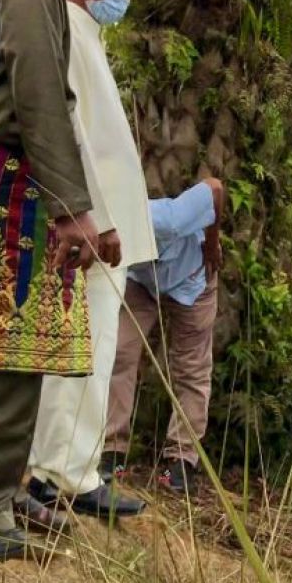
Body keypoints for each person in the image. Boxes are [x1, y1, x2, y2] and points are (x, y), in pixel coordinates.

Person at [21, 0, 155, 531]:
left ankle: (78, 467)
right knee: (78, 353)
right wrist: (93, 216)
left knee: (96, 352)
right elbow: (72, 135)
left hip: (103, 224)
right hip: (91, 225)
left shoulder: (88, 32)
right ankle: (59, 473)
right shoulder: (67, 26)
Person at [0, 0, 119, 561]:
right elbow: (38, 97)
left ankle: (6, 488)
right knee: (12, 346)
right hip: (9, 191)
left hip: (17, 183)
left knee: (20, 344)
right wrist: (73, 208)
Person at [103, 179, 226, 495]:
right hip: (142, 284)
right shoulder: (107, 225)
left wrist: (211, 243)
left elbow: (214, 189)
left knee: (192, 369)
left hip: (193, 283)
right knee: (119, 353)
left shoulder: (166, 217)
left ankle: (181, 460)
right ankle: (111, 450)